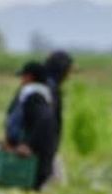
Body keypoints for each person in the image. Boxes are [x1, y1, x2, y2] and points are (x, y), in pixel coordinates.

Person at [3, 61, 57, 191]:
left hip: (36, 155)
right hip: (40, 152)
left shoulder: (34, 97)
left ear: (30, 77)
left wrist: (27, 144)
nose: (21, 80)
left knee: (33, 188)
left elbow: (44, 119)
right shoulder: (42, 95)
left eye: (23, 76)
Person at [42, 50, 73, 186]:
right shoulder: (48, 89)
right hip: (42, 149)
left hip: (46, 148)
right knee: (55, 185)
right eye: (69, 71)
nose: (69, 76)